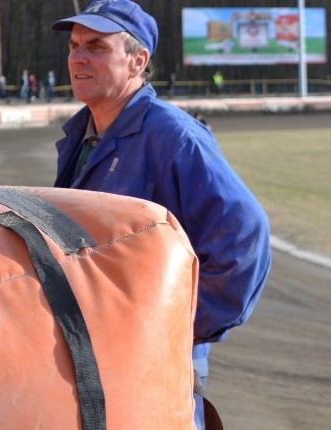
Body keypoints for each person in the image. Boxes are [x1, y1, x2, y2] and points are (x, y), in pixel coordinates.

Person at [50, 1, 272, 428]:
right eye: (75, 45)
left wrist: (172, 326)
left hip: (153, 371)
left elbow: (246, 237)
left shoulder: (175, 138)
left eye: (96, 46)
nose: (78, 56)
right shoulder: (82, 136)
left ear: (138, 60)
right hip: (96, 357)